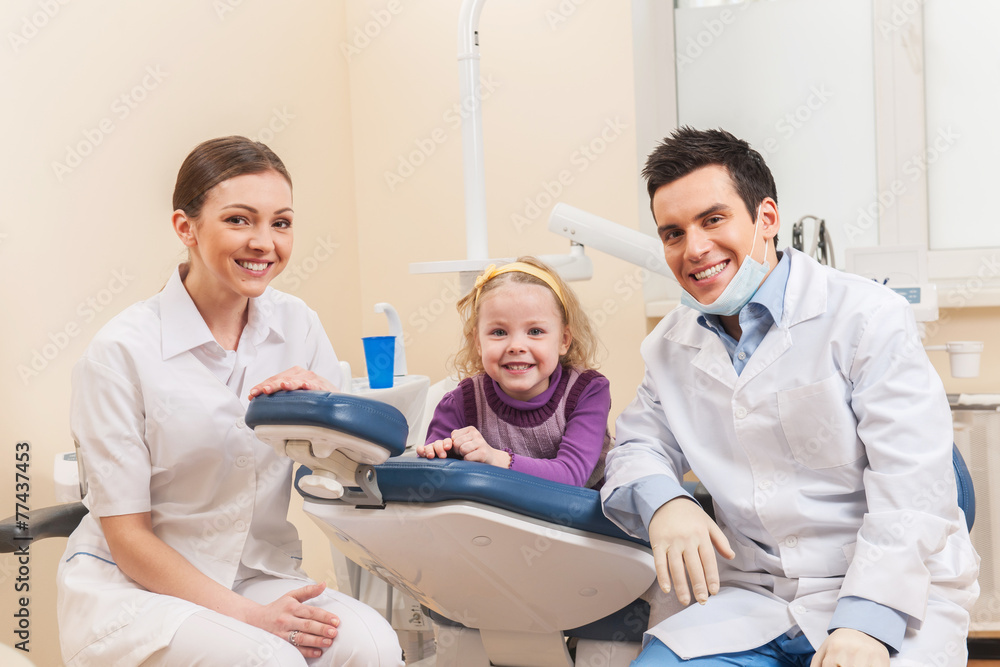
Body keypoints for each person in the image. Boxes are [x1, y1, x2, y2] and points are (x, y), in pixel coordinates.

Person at [601, 127, 979, 665]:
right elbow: (637, 446)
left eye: (713, 219)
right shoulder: (669, 346)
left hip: (891, 590)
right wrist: (665, 502)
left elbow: (913, 484)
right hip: (753, 596)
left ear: (767, 219)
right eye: (673, 233)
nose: (695, 248)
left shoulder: (867, 317)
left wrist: (866, 622)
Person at [57, 136, 403, 666]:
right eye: (239, 220)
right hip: (135, 591)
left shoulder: (298, 324)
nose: (264, 242)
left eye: (281, 223)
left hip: (255, 574)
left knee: (373, 645)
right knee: (269, 658)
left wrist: (327, 414)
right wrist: (251, 619)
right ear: (186, 227)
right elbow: (128, 540)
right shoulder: (120, 352)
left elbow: (348, 475)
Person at [417, 257, 612, 488]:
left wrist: (494, 458)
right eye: (499, 332)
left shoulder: (588, 392)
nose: (516, 346)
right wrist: (443, 456)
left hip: (582, 510)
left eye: (535, 331)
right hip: (499, 511)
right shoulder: (461, 402)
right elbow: (433, 480)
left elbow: (571, 476)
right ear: (478, 342)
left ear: (564, 340)